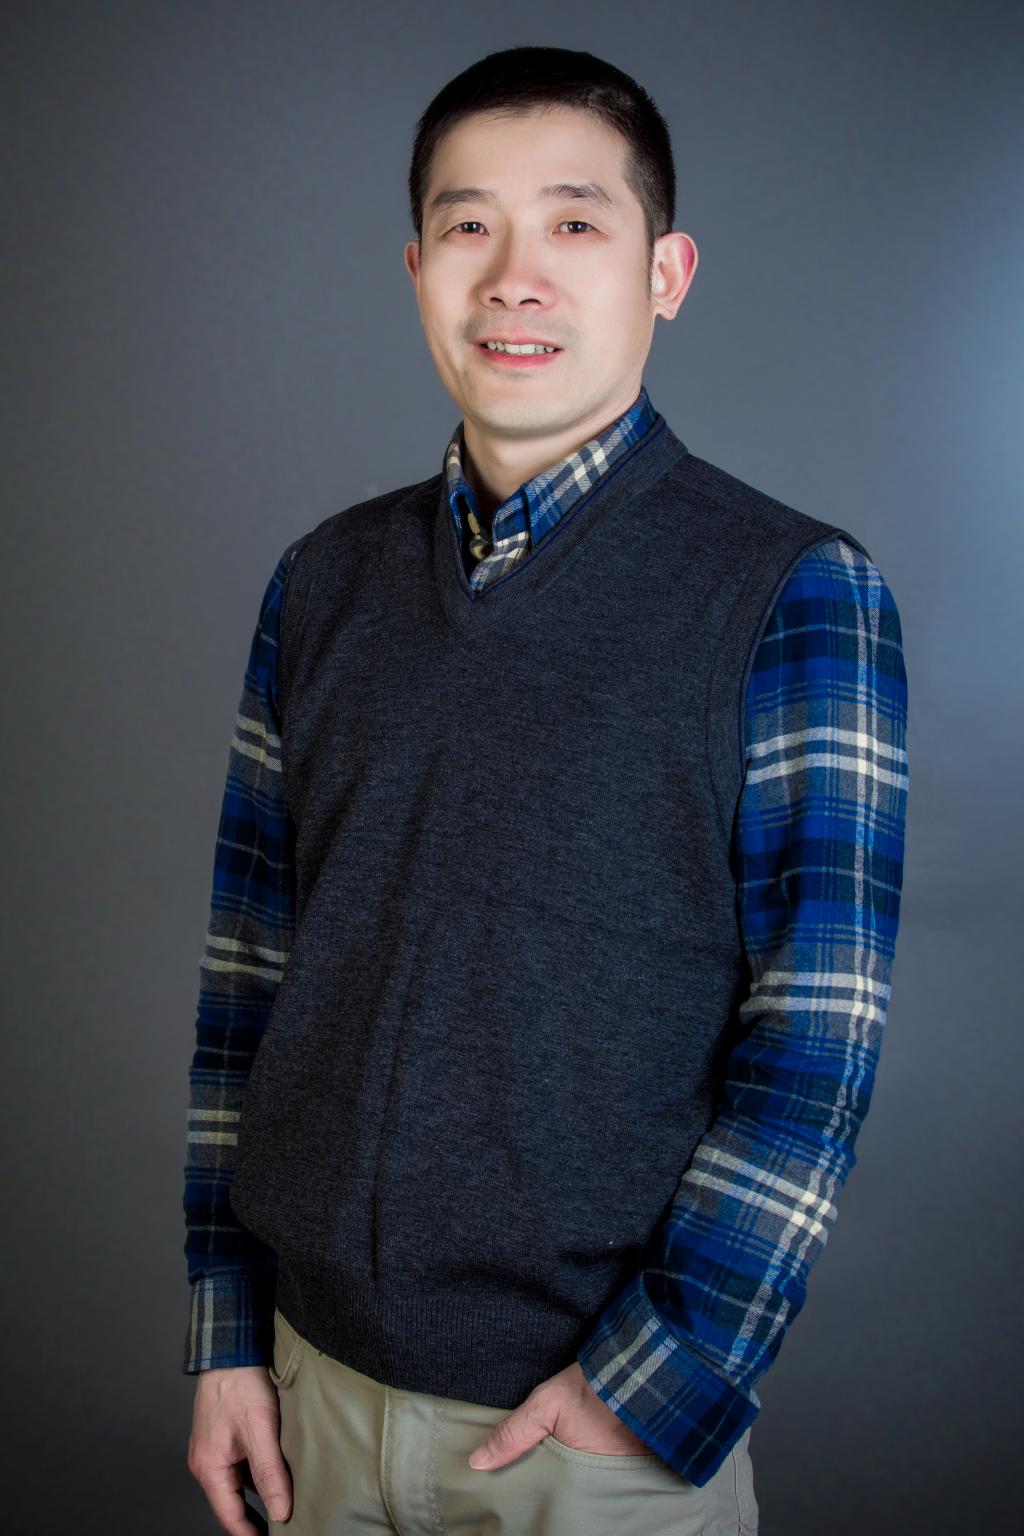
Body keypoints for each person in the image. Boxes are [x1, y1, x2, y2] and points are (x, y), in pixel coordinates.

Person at [182, 44, 909, 1536]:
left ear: (666, 274)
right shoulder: (321, 582)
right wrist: (227, 1330)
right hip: (308, 1395)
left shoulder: (794, 593)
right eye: (470, 226)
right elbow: (250, 977)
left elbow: (818, 1029)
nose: (515, 275)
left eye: (576, 222)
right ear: (417, 270)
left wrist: (661, 1378)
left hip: (586, 1442)